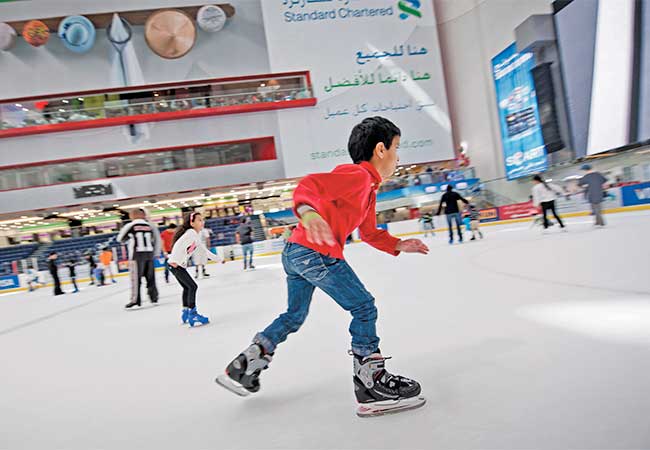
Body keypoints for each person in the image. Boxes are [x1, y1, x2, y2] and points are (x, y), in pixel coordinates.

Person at [217, 117, 429, 417]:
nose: (398, 156)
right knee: (364, 307)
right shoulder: (356, 176)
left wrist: (398, 245)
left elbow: (368, 233)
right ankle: (371, 382)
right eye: (396, 148)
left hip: (295, 253)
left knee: (294, 316)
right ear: (380, 150)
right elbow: (309, 185)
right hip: (315, 252)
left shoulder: (368, 188)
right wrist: (308, 214)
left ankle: (247, 363)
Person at [168, 212, 222, 327]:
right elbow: (203, 251)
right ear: (191, 223)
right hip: (175, 265)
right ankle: (193, 314)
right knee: (192, 286)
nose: (202, 222)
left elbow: (202, 250)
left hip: (175, 265)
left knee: (187, 287)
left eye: (202, 220)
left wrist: (218, 259)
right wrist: (219, 259)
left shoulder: (192, 234)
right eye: (199, 220)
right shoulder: (191, 233)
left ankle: (185, 312)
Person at [116, 208, 161, 309]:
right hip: (149, 254)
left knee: (136, 279)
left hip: (137, 256)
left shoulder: (130, 225)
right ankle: (154, 298)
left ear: (132, 216)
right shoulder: (149, 226)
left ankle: (135, 300)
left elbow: (120, 239)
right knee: (151, 278)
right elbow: (155, 239)